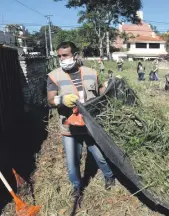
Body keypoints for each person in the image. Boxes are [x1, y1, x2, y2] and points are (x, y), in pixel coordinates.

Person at [46, 42, 115, 198]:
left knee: (100, 156)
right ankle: (77, 186)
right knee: (72, 163)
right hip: (70, 127)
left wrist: (110, 85)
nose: (62, 59)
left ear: (75, 55)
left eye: (65, 55)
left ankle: (109, 177)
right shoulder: (54, 75)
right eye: (59, 56)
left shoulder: (91, 72)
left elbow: (100, 92)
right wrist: (61, 99)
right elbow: (50, 99)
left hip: (91, 124)